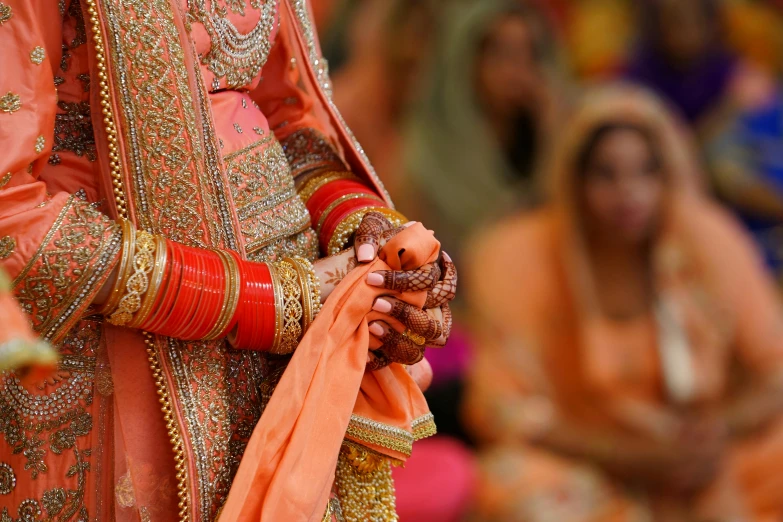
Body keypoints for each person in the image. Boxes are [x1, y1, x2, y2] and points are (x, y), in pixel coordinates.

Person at [0, 1, 455, 520]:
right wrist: (270, 300)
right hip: (112, 360)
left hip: (290, 354)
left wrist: (369, 236)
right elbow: (10, 214)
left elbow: (288, 120)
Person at [465, 86, 783, 521]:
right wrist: (633, 456)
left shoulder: (707, 237)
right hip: (593, 462)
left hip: (709, 454)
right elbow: (506, 409)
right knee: (509, 485)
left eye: (645, 172)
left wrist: (716, 433)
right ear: (573, 180)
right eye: (605, 174)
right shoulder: (516, 254)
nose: (628, 193)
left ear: (667, 174)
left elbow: (775, 372)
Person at [402, 0, 567, 266]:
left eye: (531, 54)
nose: (516, 69)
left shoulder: (554, 136)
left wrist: (553, 135)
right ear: (465, 62)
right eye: (501, 53)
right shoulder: (428, 159)